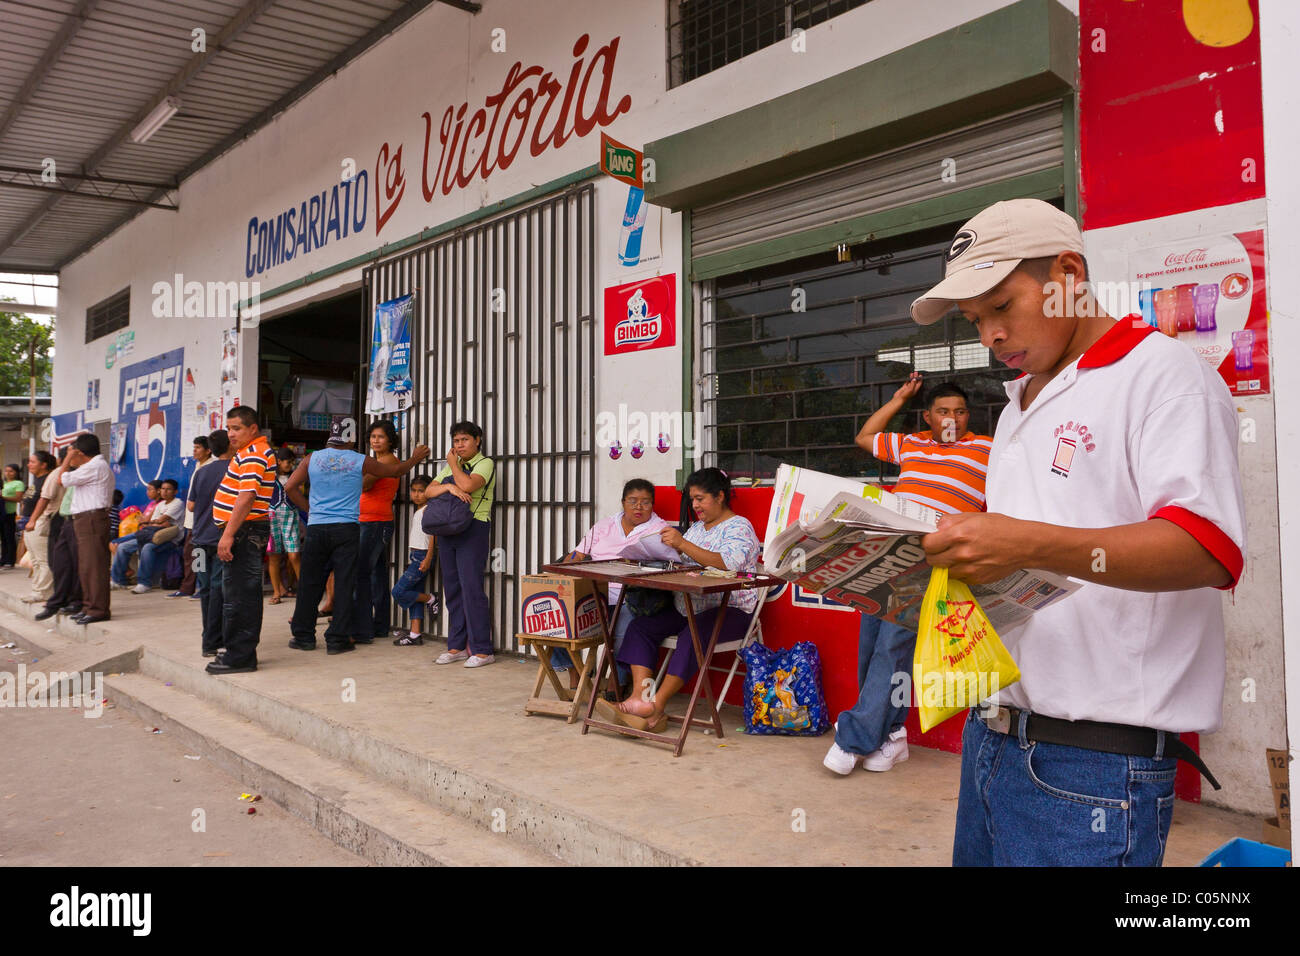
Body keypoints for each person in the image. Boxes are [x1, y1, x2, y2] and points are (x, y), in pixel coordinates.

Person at [907, 198, 1246, 867]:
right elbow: (1024, 559)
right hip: (997, 738)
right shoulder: (1016, 407)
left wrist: (1023, 541)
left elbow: (1207, 548)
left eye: (1002, 306)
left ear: (1066, 275)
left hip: (1092, 769)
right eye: (977, 321)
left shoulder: (1164, 377)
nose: (991, 336)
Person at [822, 379, 993, 775]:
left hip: (933, 561)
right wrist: (899, 399)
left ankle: (854, 738)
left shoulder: (986, 450)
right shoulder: (912, 444)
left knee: (892, 647)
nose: (953, 419)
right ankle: (893, 735)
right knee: (873, 644)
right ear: (928, 417)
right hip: (887, 555)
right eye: (944, 412)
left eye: (961, 411)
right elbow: (865, 436)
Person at [596, 468, 760, 732]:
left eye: (700, 499)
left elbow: (729, 563)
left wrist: (682, 545)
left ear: (720, 496)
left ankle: (654, 706)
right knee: (641, 627)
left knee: (692, 635)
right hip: (689, 607)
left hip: (731, 610)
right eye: (692, 500)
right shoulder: (696, 528)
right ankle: (640, 697)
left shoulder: (739, 527)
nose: (694, 505)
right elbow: (683, 562)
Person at [282, 419, 428, 655]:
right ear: (350, 438)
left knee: (310, 583)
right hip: (347, 528)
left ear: (331, 434)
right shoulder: (360, 460)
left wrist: (310, 510)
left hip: (318, 528)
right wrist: (415, 458)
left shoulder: (312, 459)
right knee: (345, 582)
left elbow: (289, 487)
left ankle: (303, 636)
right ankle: (337, 640)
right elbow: (396, 471)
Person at [555, 478, 670, 696]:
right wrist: (561, 574)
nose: (638, 507)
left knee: (623, 630)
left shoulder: (659, 530)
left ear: (652, 505)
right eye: (633, 501)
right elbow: (578, 554)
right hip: (594, 593)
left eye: (645, 502)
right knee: (558, 616)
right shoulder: (605, 525)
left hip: (631, 596)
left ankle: (616, 683)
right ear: (623, 502)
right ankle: (575, 673)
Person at [206, 406, 279, 675]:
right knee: (236, 594)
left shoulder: (256, 453)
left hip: (244, 531)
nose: (231, 433)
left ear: (252, 429)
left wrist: (228, 534)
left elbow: (246, 498)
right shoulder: (247, 453)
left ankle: (240, 657)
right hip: (243, 530)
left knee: (241, 596)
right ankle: (237, 651)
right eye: (229, 428)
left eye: (236, 428)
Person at [430, 421, 497, 668]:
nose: (459, 445)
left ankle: (482, 650)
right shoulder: (453, 467)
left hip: (474, 527)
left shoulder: (484, 463)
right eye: (456, 441)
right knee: (453, 589)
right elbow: (428, 491)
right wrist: (448, 485)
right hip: (448, 530)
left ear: (477, 440)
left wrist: (452, 467)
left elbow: (468, 485)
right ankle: (456, 646)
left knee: (471, 589)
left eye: (464, 440)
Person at [61, 433, 115, 624]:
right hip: (86, 519)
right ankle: (88, 606)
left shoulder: (95, 466)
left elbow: (63, 478)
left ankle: (98, 609)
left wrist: (67, 458)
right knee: (86, 566)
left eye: (74, 453)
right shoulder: (91, 466)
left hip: (92, 518)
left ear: (80, 453)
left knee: (94, 566)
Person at [355, 420, 401, 640]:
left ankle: (363, 627)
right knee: (375, 575)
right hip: (371, 521)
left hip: (375, 522)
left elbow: (363, 484)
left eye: (380, 436)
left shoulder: (388, 460)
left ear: (390, 440)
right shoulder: (377, 461)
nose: (375, 440)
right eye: (373, 436)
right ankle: (379, 625)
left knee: (363, 574)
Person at [189, 430, 233, 657]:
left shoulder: (201, 472)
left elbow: (190, 506)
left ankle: (208, 639)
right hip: (219, 540)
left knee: (204, 588)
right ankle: (212, 641)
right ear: (231, 445)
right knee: (219, 589)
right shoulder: (235, 471)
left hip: (197, 541)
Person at [35, 448, 82, 622]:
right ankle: (59, 600)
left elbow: (46, 497)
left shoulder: (74, 472)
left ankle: (72, 600)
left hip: (71, 520)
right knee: (59, 562)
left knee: (71, 563)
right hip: (65, 519)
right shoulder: (70, 473)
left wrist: (33, 520)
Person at [111, 478, 183, 591]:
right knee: (123, 547)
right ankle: (118, 581)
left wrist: (154, 522)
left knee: (147, 548)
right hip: (151, 535)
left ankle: (144, 583)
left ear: (175, 492)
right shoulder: (160, 505)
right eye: (163, 489)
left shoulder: (178, 503)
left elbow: (161, 521)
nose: (164, 491)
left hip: (169, 539)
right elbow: (156, 523)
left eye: (168, 489)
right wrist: (155, 523)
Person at [391, 475, 439, 645]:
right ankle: (415, 634)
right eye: (414, 491)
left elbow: (434, 534)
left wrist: (428, 557)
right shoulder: (420, 509)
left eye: (421, 491)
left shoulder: (429, 509)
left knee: (398, 591)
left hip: (422, 556)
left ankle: (431, 599)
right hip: (416, 555)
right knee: (414, 596)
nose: (417, 494)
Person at [168, 436, 214, 599]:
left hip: (200, 520)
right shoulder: (198, 465)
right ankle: (189, 587)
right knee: (191, 554)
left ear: (208, 451)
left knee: (198, 554)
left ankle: (202, 588)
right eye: (194, 447)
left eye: (198, 448)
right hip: (192, 520)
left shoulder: (209, 468)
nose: (194, 451)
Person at [19, 451, 58, 603]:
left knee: (43, 560)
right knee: (34, 560)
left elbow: (45, 501)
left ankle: (44, 592)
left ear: (44, 465)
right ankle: (37, 589)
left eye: (32, 462)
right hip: (29, 523)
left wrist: (34, 520)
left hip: (39, 522)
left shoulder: (47, 480)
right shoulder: (37, 480)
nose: (29, 465)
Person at [267, 447, 301, 605]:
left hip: (291, 517)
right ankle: (276, 592)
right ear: (278, 462)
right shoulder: (268, 477)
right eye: (289, 461)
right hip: (272, 517)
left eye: (293, 462)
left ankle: (305, 590)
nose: (291, 465)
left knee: (294, 555)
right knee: (274, 556)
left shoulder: (296, 476)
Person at [1, 463, 24, 568]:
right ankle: (3, 558)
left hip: (10, 512)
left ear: (16, 472)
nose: (8, 473)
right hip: (2, 512)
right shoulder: (4, 483)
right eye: (6, 471)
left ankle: (10, 559)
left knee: (9, 536)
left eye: (11, 471)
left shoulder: (18, 483)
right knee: (3, 537)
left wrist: (3, 498)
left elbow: (18, 499)